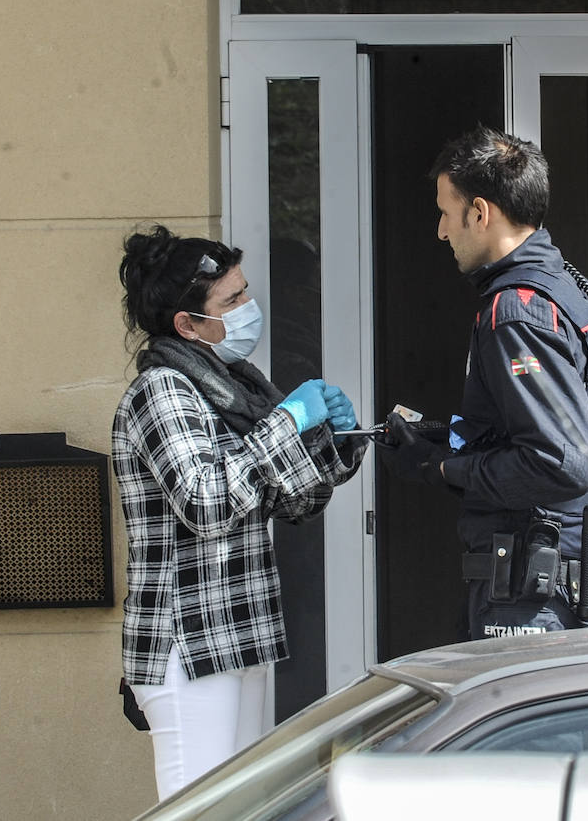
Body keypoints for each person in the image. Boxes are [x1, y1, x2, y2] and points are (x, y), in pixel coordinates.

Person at [112, 225, 367, 800]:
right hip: (187, 645)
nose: (248, 309)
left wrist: (337, 441)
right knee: (199, 810)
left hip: (238, 632)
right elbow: (205, 501)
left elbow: (289, 500)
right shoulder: (163, 391)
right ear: (188, 324)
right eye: (231, 301)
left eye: (244, 292)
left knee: (243, 809)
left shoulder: (230, 388)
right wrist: (288, 425)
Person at [379, 126, 588, 640]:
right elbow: (537, 430)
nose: (441, 231)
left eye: (447, 213)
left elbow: (562, 463)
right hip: (556, 578)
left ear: (480, 213)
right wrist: (441, 435)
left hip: (531, 588)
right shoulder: (569, 288)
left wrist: (443, 467)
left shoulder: (516, 312)